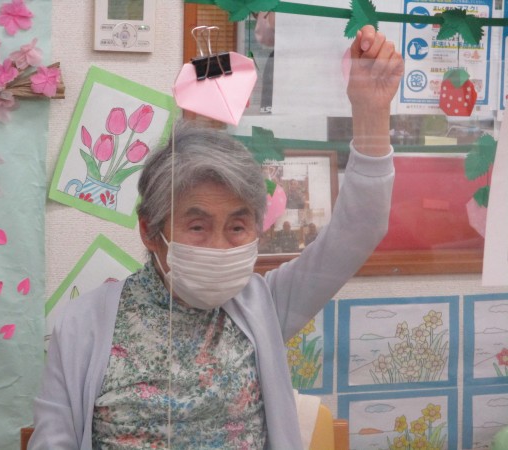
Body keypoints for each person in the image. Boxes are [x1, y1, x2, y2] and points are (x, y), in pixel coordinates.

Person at [28, 25, 403, 449]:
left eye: (237, 227)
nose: (221, 246)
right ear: (150, 230)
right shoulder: (83, 325)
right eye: (198, 226)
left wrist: (371, 113)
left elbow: (360, 228)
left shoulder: (265, 306)